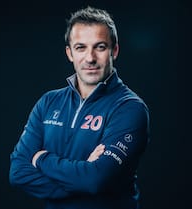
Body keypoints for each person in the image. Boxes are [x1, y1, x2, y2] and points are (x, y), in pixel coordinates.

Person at [9, 6, 150, 209]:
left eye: (100, 47)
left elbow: (96, 180)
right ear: (69, 53)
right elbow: (18, 172)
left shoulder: (129, 108)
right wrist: (81, 178)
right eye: (81, 47)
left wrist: (41, 159)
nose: (90, 58)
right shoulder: (49, 102)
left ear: (115, 50)